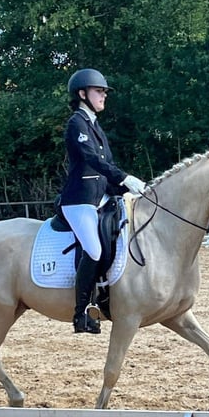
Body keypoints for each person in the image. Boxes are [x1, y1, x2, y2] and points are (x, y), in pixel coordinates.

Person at [59, 68, 147, 334]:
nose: (104, 96)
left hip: (101, 198)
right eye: (99, 91)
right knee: (94, 250)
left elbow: (106, 166)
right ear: (82, 94)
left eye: (105, 92)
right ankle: (81, 314)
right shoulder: (77, 123)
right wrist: (124, 177)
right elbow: (92, 161)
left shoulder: (95, 126)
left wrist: (123, 189)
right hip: (79, 201)